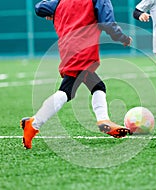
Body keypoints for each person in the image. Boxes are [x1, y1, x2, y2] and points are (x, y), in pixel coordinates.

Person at [20, 0, 132, 149]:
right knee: (67, 90)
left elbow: (40, 8)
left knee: (98, 86)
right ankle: (34, 123)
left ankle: (104, 121)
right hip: (84, 48)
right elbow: (107, 23)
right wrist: (122, 38)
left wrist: (52, 12)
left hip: (67, 48)